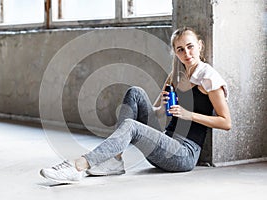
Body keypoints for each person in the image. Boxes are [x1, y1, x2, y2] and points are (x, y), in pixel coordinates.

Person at [40, 27, 231, 183]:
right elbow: (155, 112)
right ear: (175, 52)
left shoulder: (209, 78)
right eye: (180, 49)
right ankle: (115, 160)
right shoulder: (175, 76)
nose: (187, 53)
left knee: (131, 127)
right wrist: (163, 108)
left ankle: (78, 166)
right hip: (164, 144)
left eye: (190, 47)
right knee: (135, 92)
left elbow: (226, 122)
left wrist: (189, 115)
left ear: (200, 46)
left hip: (183, 154)